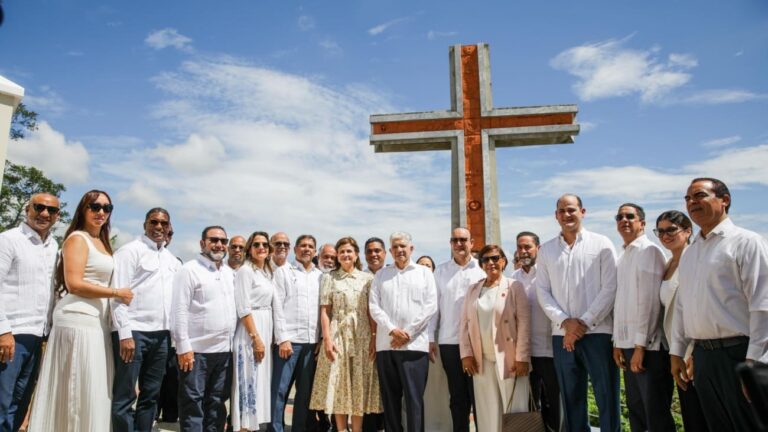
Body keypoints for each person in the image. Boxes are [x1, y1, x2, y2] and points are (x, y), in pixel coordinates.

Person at [28, 190, 133, 431]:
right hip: (77, 320)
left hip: (97, 322)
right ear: (83, 210)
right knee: (77, 389)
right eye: (95, 207)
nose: (101, 212)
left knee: (93, 390)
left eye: (107, 208)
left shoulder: (103, 243)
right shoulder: (77, 238)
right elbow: (74, 283)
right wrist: (116, 292)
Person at [670, 178, 768, 431]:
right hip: (703, 357)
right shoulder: (690, 252)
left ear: (724, 200)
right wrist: (677, 352)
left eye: (699, 195)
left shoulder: (747, 242)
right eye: (688, 198)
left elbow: (763, 306)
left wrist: (754, 363)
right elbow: (683, 304)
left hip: (740, 354)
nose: (692, 202)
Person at [536, 194, 620, 432]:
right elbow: (543, 291)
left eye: (571, 209)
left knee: (607, 396)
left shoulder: (601, 243)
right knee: (571, 398)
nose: (567, 215)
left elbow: (610, 287)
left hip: (598, 333)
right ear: (556, 215)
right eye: (562, 211)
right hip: (562, 335)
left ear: (583, 212)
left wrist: (584, 322)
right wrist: (565, 322)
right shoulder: (547, 250)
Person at [111, 207, 182, 432]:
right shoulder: (129, 251)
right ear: (145, 225)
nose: (159, 227)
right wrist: (124, 334)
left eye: (164, 223)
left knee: (151, 395)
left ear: (169, 227)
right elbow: (117, 295)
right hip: (133, 332)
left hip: (161, 335)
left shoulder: (172, 260)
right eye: (154, 222)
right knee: (125, 395)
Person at [0, 193, 60, 431]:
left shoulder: (54, 246)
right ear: (27, 209)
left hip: (38, 336)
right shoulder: (9, 240)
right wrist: (3, 331)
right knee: (2, 401)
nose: (44, 213)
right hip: (11, 334)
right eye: (39, 207)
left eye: (51, 210)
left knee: (21, 401)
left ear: (57, 216)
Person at [611, 203, 674, 432]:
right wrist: (618, 342)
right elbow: (620, 303)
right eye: (619, 217)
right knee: (636, 410)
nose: (624, 220)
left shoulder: (649, 251)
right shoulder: (624, 255)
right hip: (628, 346)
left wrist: (640, 346)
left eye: (630, 216)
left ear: (642, 223)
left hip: (649, 348)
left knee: (655, 413)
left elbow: (649, 302)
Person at [309, 237, 382, 431]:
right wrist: (327, 339)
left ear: (356, 254)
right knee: (339, 383)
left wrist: (374, 338)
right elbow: (325, 311)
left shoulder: (367, 279)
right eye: (341, 252)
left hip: (362, 335)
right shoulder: (329, 278)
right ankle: (341, 429)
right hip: (338, 335)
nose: (345, 255)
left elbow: (371, 312)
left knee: (359, 384)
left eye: (349, 251)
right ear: (338, 256)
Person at [369, 231, 437, 432]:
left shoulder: (424, 273)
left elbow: (430, 306)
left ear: (411, 249)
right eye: (395, 247)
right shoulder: (381, 275)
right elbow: (374, 306)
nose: (399, 250)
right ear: (390, 251)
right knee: (390, 400)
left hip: (414, 347)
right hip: (386, 345)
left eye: (403, 246)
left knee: (414, 400)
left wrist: (407, 333)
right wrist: (392, 330)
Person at [172, 226, 238, 431]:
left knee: (217, 403)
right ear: (203, 243)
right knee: (193, 403)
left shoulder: (230, 273)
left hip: (224, 352)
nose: (219, 245)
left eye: (223, 241)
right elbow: (179, 310)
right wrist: (183, 347)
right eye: (214, 240)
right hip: (196, 352)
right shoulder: (189, 270)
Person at [459, 244, 531, 432]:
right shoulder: (473, 290)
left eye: (495, 258)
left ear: (503, 261)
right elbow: (464, 324)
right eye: (485, 259)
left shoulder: (514, 286)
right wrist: (466, 354)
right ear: (481, 264)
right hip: (480, 360)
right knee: (487, 411)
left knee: (514, 409)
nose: (490, 262)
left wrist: (522, 358)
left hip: (510, 360)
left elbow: (524, 324)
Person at [654, 210, 709, 432]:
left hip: (694, 350)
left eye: (671, 230)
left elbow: (700, 306)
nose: (665, 235)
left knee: (703, 416)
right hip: (675, 349)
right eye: (660, 231)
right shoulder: (668, 263)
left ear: (687, 231)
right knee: (690, 415)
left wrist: (695, 351)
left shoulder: (695, 260)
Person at [429, 228, 485, 432]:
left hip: (479, 342)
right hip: (450, 342)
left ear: (472, 242)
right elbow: (434, 308)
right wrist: (430, 338)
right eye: (455, 240)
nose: (459, 244)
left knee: (480, 396)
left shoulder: (482, 269)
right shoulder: (440, 271)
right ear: (450, 243)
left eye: (463, 240)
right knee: (458, 397)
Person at [270, 234, 323, 432]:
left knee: (304, 395)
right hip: (289, 343)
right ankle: (275, 429)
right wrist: (283, 339)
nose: (306, 249)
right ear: (295, 250)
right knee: (279, 391)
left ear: (315, 251)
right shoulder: (283, 272)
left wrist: (320, 339)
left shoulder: (320, 276)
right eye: (303, 246)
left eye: (310, 246)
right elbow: (277, 307)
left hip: (311, 344)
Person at [512, 231, 561, 432]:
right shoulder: (513, 279)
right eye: (520, 247)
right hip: (525, 353)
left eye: (528, 247)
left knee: (553, 401)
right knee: (530, 403)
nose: (523, 251)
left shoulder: (548, 273)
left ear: (538, 249)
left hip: (549, 350)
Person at [231, 231, 278, 431]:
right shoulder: (245, 271)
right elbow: (243, 308)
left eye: (265, 244)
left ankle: (254, 427)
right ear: (249, 248)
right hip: (250, 331)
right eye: (256, 244)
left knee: (260, 384)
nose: (261, 248)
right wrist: (256, 338)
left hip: (265, 328)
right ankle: (244, 428)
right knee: (248, 382)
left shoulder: (266, 272)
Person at [361, 237, 387, 432]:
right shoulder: (360, 278)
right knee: (368, 386)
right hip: (365, 340)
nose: (374, 254)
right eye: (369, 251)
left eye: (377, 250)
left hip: (389, 340)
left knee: (387, 387)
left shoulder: (392, 275)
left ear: (385, 253)